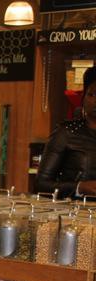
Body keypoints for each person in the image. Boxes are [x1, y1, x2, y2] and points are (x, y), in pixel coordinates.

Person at [35, 66, 96, 198]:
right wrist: (79, 188)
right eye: (92, 94)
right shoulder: (66, 133)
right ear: (83, 97)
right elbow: (41, 185)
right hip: (75, 210)